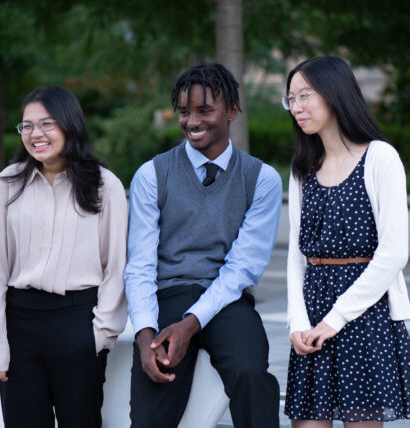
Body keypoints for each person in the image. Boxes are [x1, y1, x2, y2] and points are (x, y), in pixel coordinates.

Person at [125, 62, 282, 428]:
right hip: (169, 295)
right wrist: (145, 334)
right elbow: (140, 264)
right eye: (184, 112)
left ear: (231, 111)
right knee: (150, 413)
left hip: (227, 299)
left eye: (204, 110)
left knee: (250, 374)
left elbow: (242, 267)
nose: (192, 121)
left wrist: (190, 324)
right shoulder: (152, 175)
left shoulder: (262, 180)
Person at [283, 55, 410, 428]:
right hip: (311, 316)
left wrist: (336, 319)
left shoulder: (380, 157)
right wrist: (298, 322)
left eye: (304, 96)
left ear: (334, 94)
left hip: (363, 316)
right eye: (291, 99)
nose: (296, 108)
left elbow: (393, 254)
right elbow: (297, 257)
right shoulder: (302, 167)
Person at [0, 86, 128, 428]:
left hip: (78, 323)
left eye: (46, 123)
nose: (35, 134)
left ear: (70, 124)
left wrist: (99, 337)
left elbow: (116, 267)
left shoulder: (105, 186)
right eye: (27, 126)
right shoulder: (7, 185)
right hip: (19, 325)